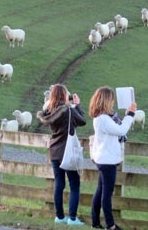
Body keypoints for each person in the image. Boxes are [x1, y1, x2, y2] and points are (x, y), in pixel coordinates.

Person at [37, 84, 87, 226]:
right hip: (68, 152)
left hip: (54, 151)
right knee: (74, 185)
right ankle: (72, 218)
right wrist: (77, 105)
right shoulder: (68, 111)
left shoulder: (49, 111)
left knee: (59, 184)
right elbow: (82, 121)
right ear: (64, 95)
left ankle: (59, 216)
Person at [89, 86, 137, 230]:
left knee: (100, 191)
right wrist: (130, 114)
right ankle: (110, 225)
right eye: (111, 100)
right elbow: (121, 130)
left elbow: (117, 128)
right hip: (107, 161)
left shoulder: (101, 118)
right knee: (106, 193)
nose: (113, 102)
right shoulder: (103, 119)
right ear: (105, 101)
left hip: (103, 159)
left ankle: (95, 222)